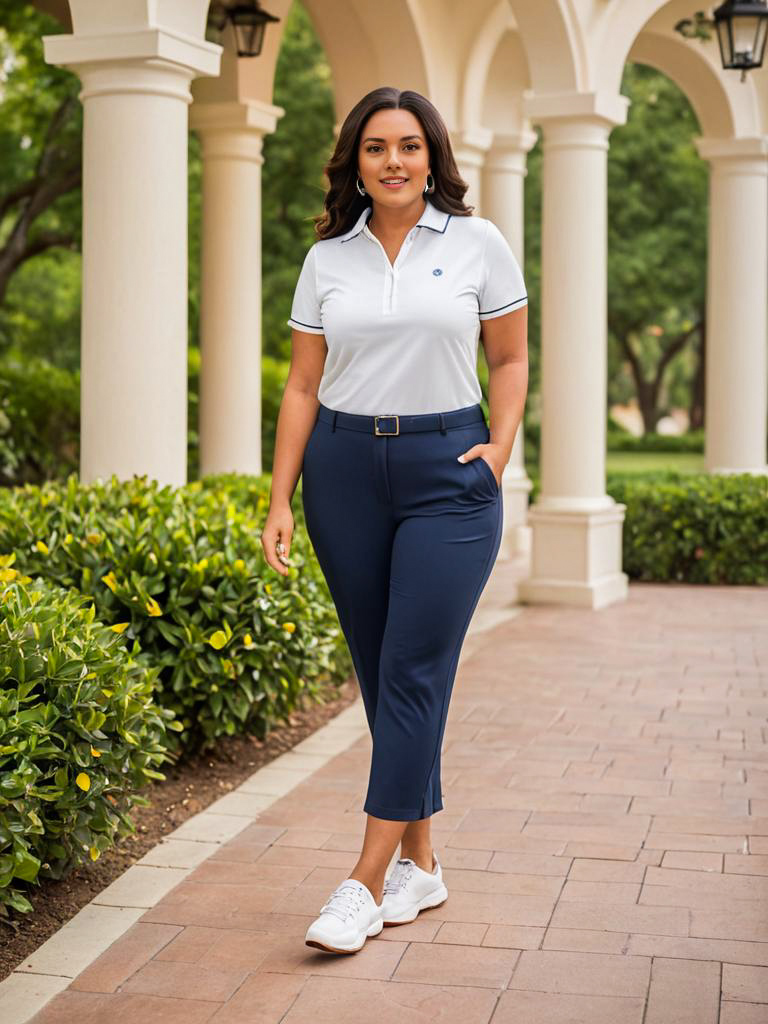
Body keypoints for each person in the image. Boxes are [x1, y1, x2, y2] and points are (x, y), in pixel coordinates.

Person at [260, 86, 528, 954]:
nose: (394, 162)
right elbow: (302, 386)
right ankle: (423, 861)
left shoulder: (478, 243)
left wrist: (497, 450)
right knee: (380, 671)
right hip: (342, 474)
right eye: (377, 148)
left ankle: (364, 882)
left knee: (413, 667)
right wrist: (280, 500)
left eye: (409, 146)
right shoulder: (327, 258)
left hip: (447, 473)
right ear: (356, 162)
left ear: (432, 156)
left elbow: (513, 356)